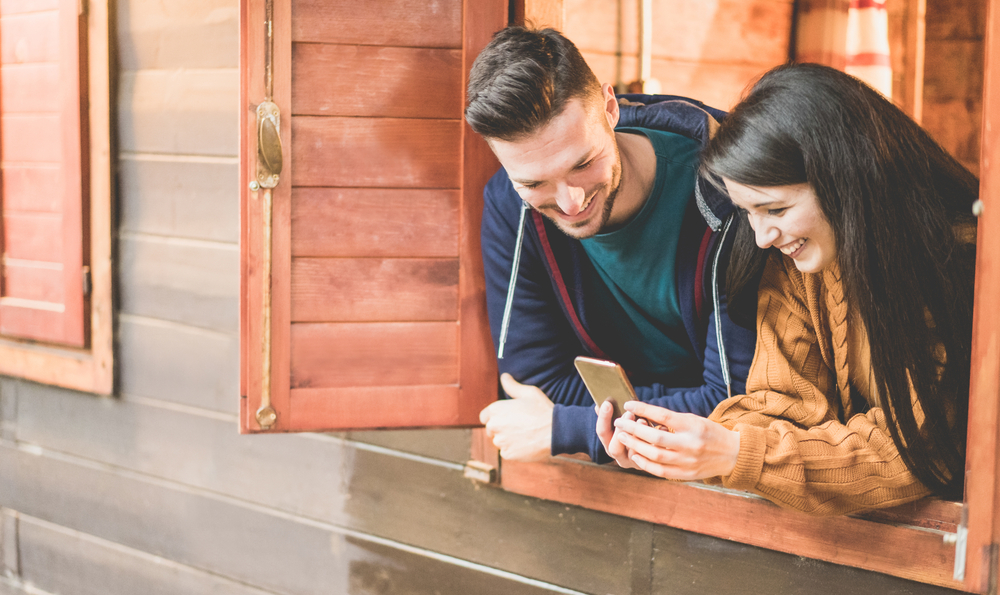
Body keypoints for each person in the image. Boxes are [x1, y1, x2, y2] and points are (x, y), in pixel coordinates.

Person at [597, 63, 978, 514]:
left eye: (775, 209)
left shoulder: (954, 260)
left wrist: (737, 453)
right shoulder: (797, 263)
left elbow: (916, 449)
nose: (761, 237)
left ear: (843, 176)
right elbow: (779, 403)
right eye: (748, 212)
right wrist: (683, 445)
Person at [464, 26, 756, 463]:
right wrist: (663, 414)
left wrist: (570, 426)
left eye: (582, 163)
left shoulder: (734, 190)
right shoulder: (510, 205)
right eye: (534, 182)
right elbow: (533, 384)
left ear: (610, 106)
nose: (571, 201)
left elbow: (733, 403)